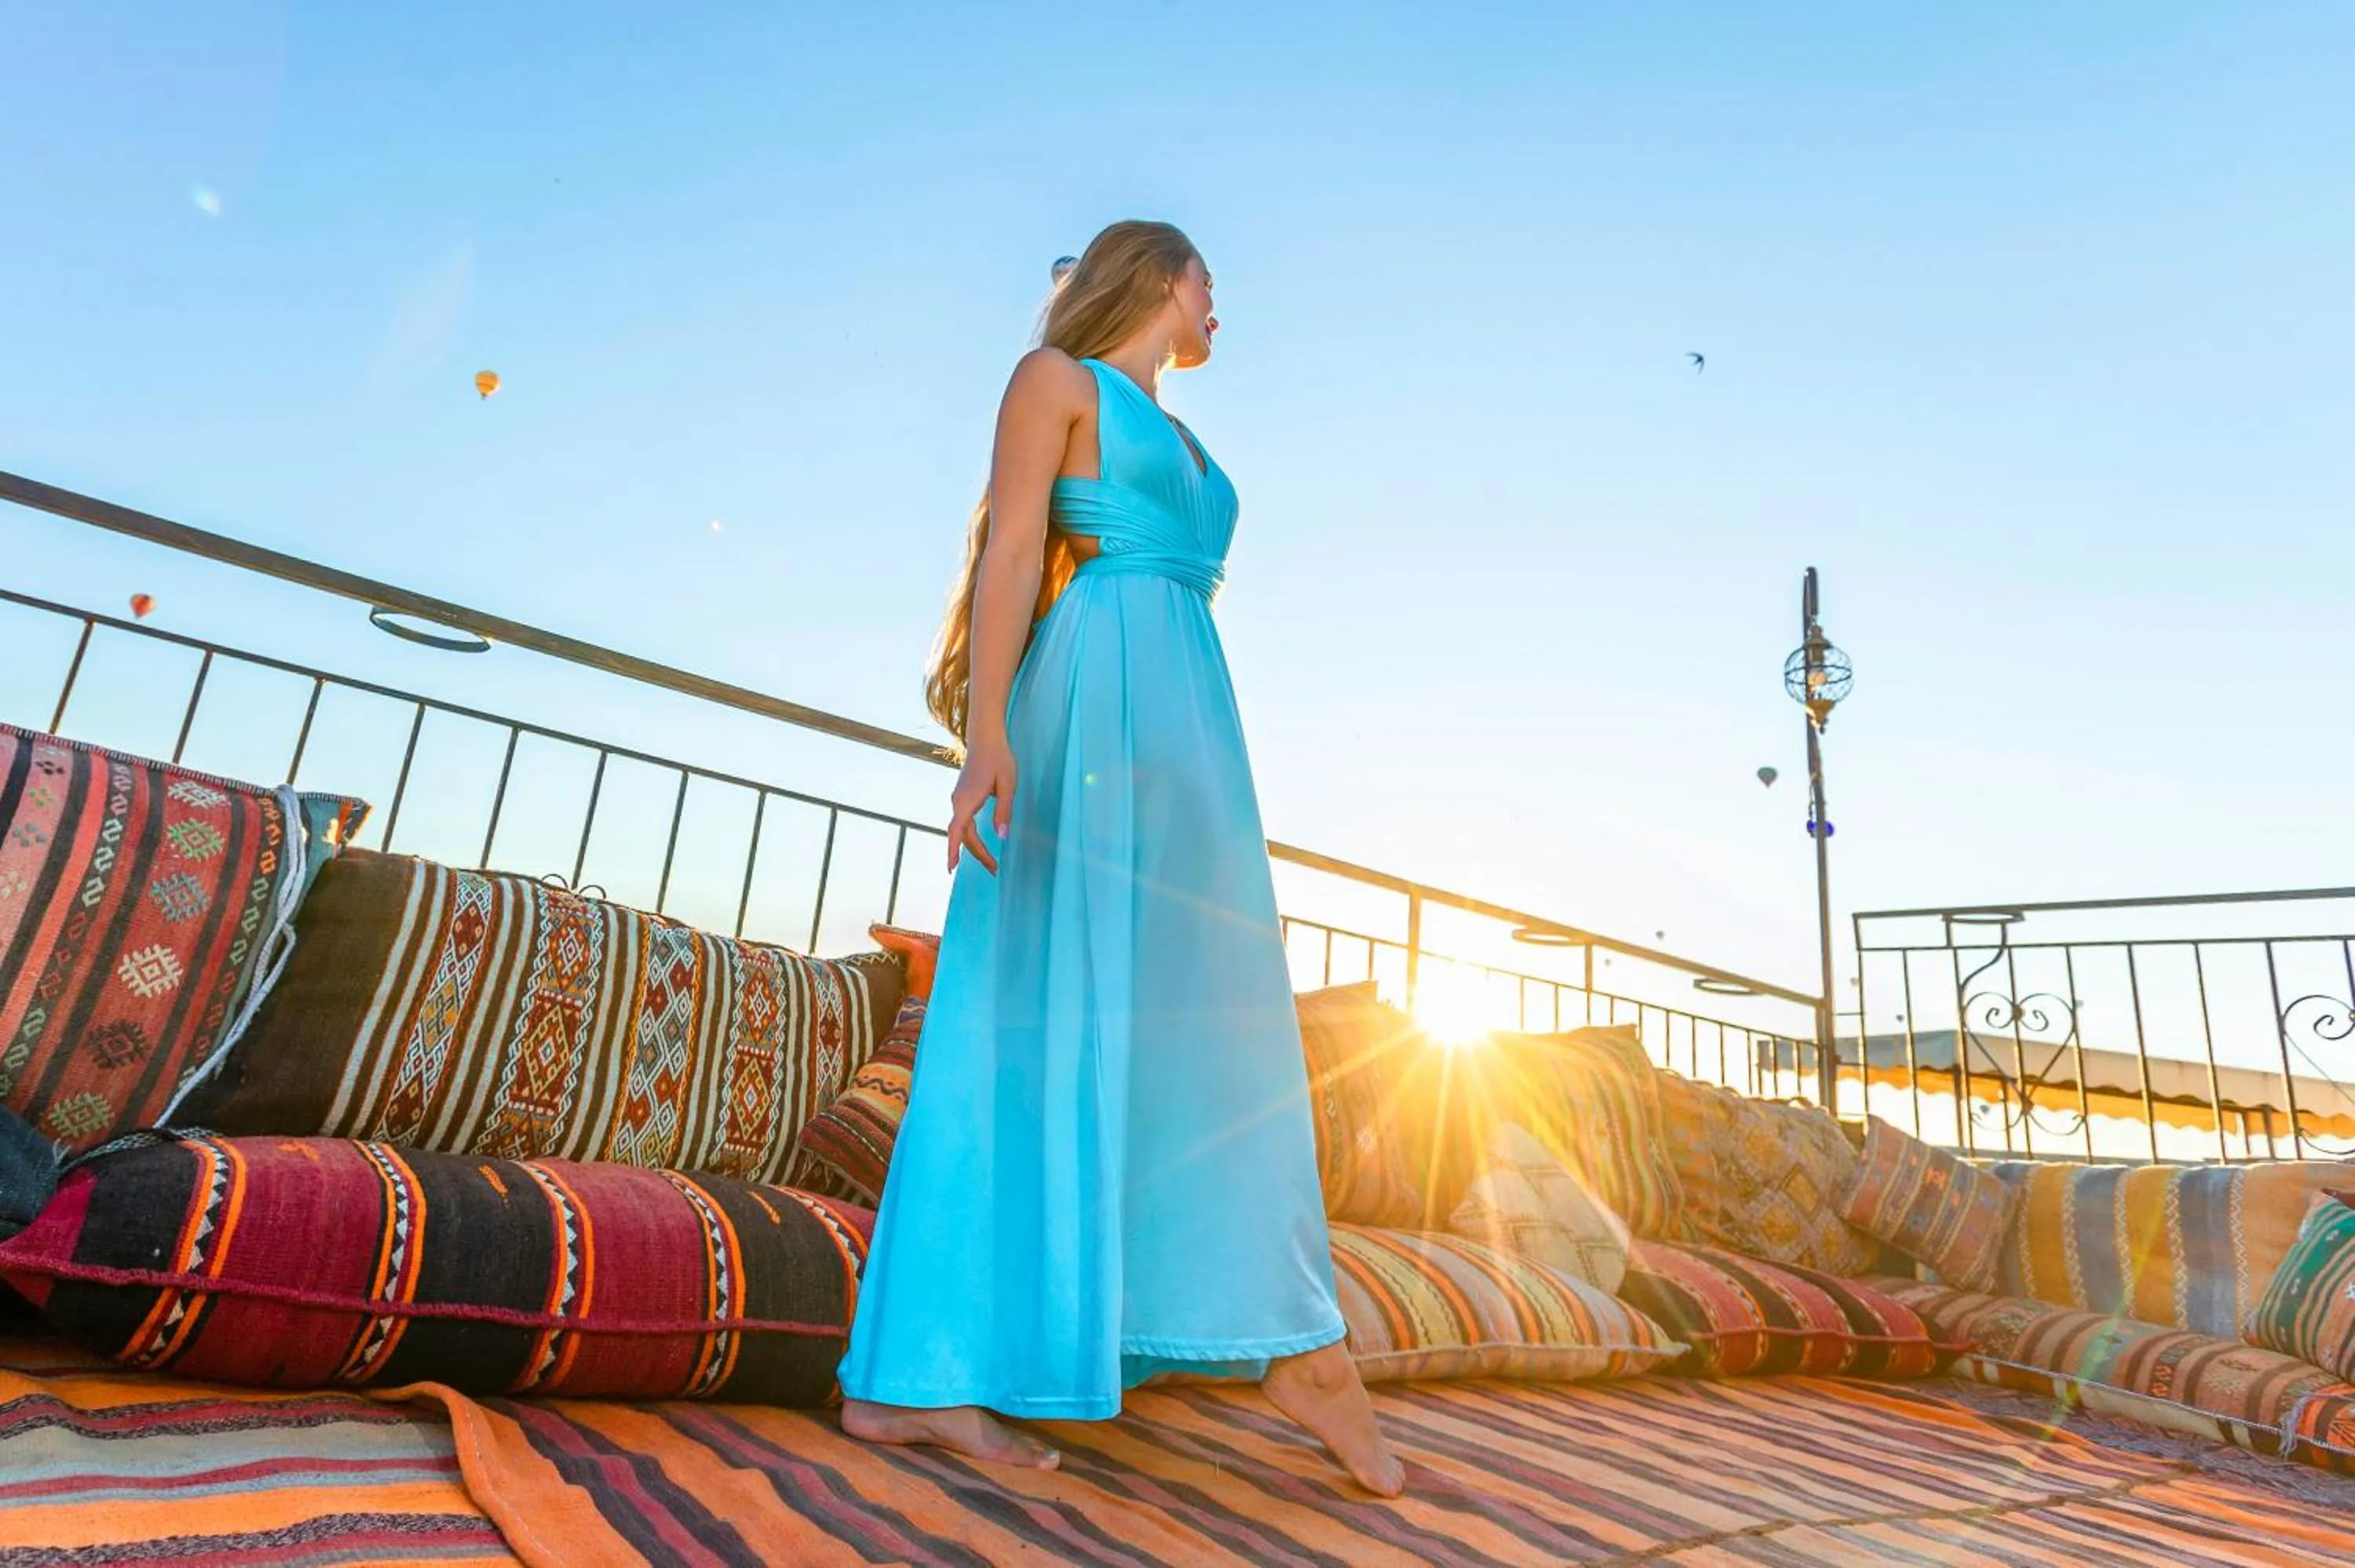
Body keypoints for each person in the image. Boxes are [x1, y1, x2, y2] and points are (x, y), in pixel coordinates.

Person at [835, 220, 1404, 1497]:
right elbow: (1010, 554)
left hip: (1192, 725)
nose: (1222, 307)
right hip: (1088, 701)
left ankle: (1266, 1332)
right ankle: (916, 1380)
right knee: (1023, 1018)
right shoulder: (1055, 383)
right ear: (1156, 275)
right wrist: (985, 737)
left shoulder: (1190, 439)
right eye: (1213, 280)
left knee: (1218, 1024)